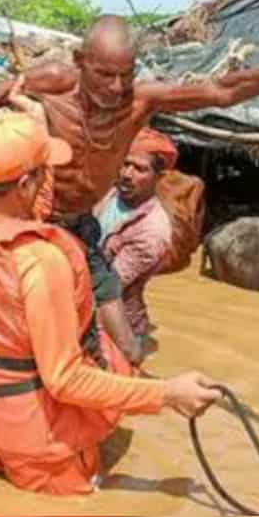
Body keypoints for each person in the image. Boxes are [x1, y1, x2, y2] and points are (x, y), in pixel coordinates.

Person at [0, 14, 259, 366]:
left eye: (125, 75)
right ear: (81, 62)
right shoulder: (52, 81)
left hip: (79, 224)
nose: (116, 88)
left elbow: (222, 90)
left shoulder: (140, 101)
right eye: (104, 75)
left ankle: (132, 385)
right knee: (22, 326)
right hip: (29, 221)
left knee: (118, 335)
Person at [0, 110, 222, 496]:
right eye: (43, 172)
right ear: (24, 184)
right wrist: (167, 394)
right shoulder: (40, 259)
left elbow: (13, 211)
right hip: (40, 447)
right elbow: (66, 379)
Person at [93, 128, 178, 350]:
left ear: (158, 178)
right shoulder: (106, 193)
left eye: (140, 169)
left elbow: (108, 286)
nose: (127, 174)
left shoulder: (152, 231)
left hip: (115, 325)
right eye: (125, 164)